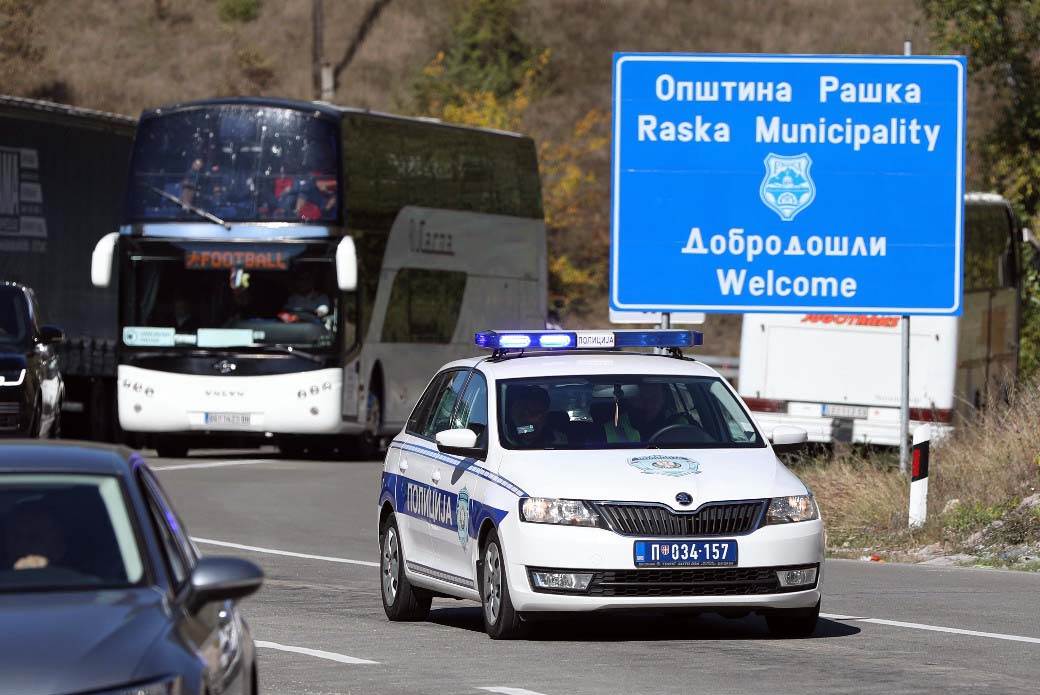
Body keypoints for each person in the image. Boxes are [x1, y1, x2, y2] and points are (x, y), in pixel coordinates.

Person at [4, 503, 67, 571]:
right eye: (16, 537)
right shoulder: (4, 578)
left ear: (57, 547)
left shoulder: (73, 579)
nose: (22, 545)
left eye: (34, 538)